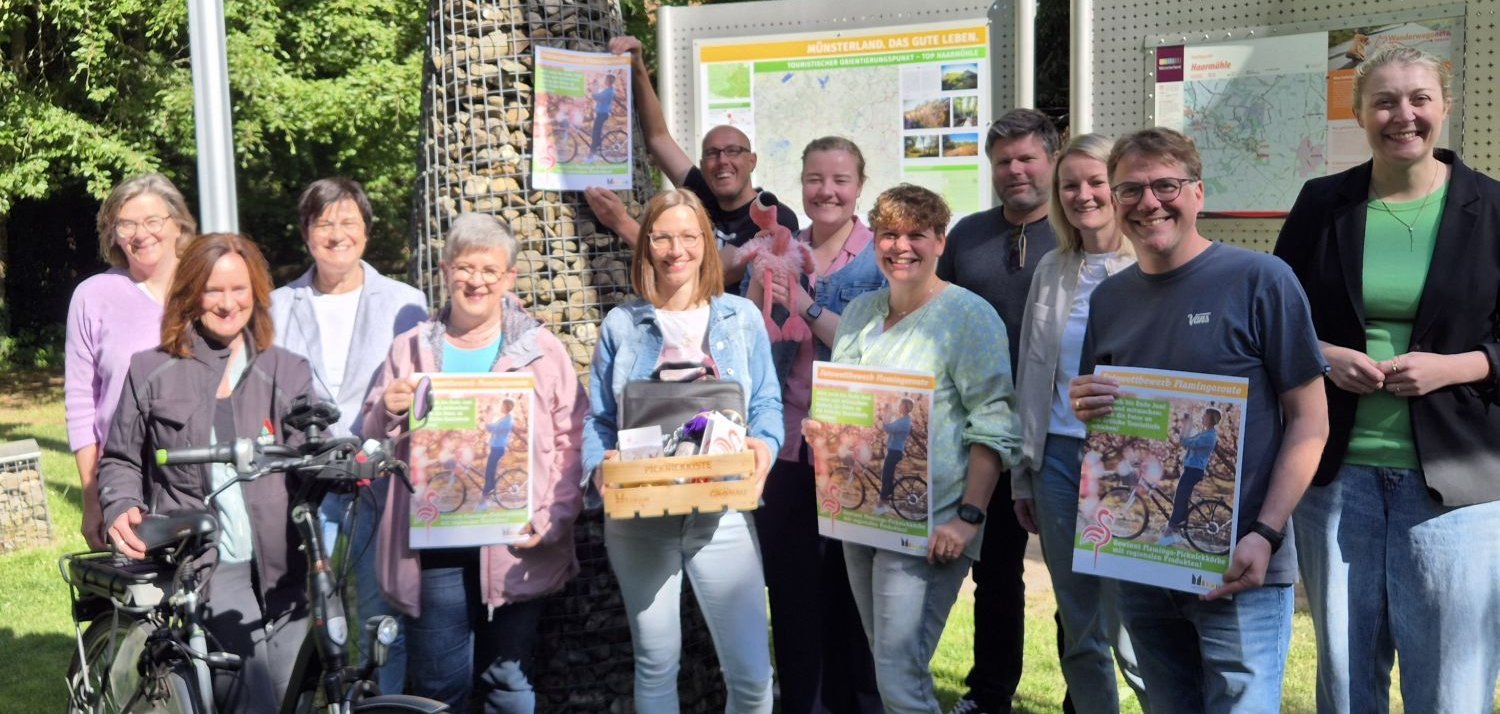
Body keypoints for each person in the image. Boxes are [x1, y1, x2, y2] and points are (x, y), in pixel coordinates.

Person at [1069, 127, 1329, 712]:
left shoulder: (1261, 280)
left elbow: (1310, 422)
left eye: (1166, 185)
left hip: (1241, 565)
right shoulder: (1110, 300)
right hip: (1143, 568)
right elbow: (1110, 425)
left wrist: (1266, 533)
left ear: (1198, 192)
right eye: (1130, 190)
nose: (1149, 202)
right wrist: (1089, 407)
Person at [1273, 46, 1500, 714]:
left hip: (1457, 489)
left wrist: (1457, 367)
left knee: (1451, 690)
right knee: (1345, 683)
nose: (1403, 115)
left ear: (1445, 106)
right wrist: (1322, 355)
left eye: (1419, 98)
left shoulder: (1492, 209)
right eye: (1384, 101)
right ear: (1359, 113)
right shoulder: (1323, 205)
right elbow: (1276, 320)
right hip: (1338, 479)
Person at [362, 213, 586, 713]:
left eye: (491, 270)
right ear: (445, 271)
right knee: (439, 688)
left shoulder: (540, 350)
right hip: (435, 547)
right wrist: (388, 409)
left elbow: (575, 439)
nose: (476, 281)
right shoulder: (411, 348)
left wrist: (554, 516)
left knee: (508, 682)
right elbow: (371, 440)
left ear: (510, 278)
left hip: (517, 543)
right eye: (465, 268)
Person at [583, 189, 781, 713]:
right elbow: (599, 421)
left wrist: (765, 445)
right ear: (646, 244)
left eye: (689, 236)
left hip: (722, 515)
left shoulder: (740, 318)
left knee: (753, 675)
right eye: (663, 236)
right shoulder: (622, 326)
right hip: (640, 520)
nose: (677, 249)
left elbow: (766, 403)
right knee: (655, 663)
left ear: (706, 246)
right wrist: (599, 468)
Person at [98, 233, 315, 713]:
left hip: (285, 568)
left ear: (256, 292)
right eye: (213, 290)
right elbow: (120, 459)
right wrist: (119, 504)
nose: (227, 303)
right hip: (211, 565)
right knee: (253, 698)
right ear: (191, 294)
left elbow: (313, 450)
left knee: (298, 697)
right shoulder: (151, 370)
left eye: (239, 289)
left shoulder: (287, 370)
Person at [828, 183, 1021, 714]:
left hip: (930, 523)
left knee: (900, 680)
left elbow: (994, 423)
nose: (902, 246)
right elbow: (849, 406)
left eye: (917, 234)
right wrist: (825, 429)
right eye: (889, 234)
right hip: (860, 515)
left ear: (941, 240)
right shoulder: (860, 313)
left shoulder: (969, 316)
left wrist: (968, 519)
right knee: (892, 667)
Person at [740, 136, 884, 714]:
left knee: (856, 602)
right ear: (800, 183)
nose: (827, 191)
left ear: (858, 187)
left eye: (840, 180)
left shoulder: (881, 255)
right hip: (790, 450)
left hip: (855, 454)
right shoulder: (782, 248)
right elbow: (750, 339)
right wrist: (759, 285)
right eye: (815, 179)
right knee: (795, 597)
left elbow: (874, 349)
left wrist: (805, 303)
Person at [270, 177, 427, 693]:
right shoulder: (275, 306)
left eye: (348, 222)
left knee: (382, 616)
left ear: (366, 229)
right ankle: (316, 699)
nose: (337, 234)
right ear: (305, 232)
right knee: (303, 609)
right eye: (324, 223)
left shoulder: (405, 302)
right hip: (304, 482)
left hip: (375, 479)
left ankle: (384, 703)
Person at [1008, 133, 1148, 714]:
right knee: (1080, 626)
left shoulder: (1149, 262)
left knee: (1134, 628)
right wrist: (1024, 473)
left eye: (1096, 182)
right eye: (1071, 185)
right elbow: (1030, 374)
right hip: (1059, 460)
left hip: (1130, 466)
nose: (1083, 195)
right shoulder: (1053, 266)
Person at [937, 107, 1059, 714]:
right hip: (984, 436)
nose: (1014, 171)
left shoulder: (1081, 231)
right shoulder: (966, 236)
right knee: (996, 576)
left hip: (1061, 433)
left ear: (1051, 159)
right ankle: (989, 696)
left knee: (1074, 582)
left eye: (1026, 158)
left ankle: (1083, 699)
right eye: (1003, 161)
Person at [584, 35, 798, 285]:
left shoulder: (773, 217)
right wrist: (638, 67)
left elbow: (714, 274)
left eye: (733, 151)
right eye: (712, 153)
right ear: (703, 163)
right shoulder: (702, 193)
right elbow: (658, 138)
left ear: (752, 161)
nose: (722, 161)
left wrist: (621, 223)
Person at [66, 174, 197, 549]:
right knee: (141, 601)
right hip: (126, 479)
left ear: (178, 224)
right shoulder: (94, 296)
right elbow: (80, 404)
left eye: (153, 220)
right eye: (126, 224)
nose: (141, 234)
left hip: (200, 471)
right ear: (113, 234)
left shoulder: (207, 291)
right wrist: (93, 499)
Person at [1157, 408, 1221, 547]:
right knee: (1182, 498)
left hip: (1194, 470)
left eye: (1205, 416)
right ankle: (1180, 527)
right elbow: (1187, 441)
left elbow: (1187, 442)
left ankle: (1170, 529)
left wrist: (1186, 427)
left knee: (1180, 498)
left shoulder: (1209, 436)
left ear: (1211, 419)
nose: (1202, 417)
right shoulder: (1206, 433)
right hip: (1191, 469)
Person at [481, 399, 517, 504]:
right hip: (496, 447)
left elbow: (492, 428)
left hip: (498, 448)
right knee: (489, 471)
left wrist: (488, 418)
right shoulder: (505, 418)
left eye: (502, 405)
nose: (501, 407)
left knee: (490, 471)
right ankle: (488, 492)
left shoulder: (508, 420)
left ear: (507, 407)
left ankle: (487, 493)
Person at [585, 74, 618, 163]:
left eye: (606, 80)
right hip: (601, 113)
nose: (604, 81)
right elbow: (598, 95)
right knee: (596, 133)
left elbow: (598, 97)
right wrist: (593, 90)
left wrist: (592, 91)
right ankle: (596, 152)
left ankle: (591, 155)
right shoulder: (607, 90)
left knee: (595, 134)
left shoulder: (610, 91)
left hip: (602, 114)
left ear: (609, 81)